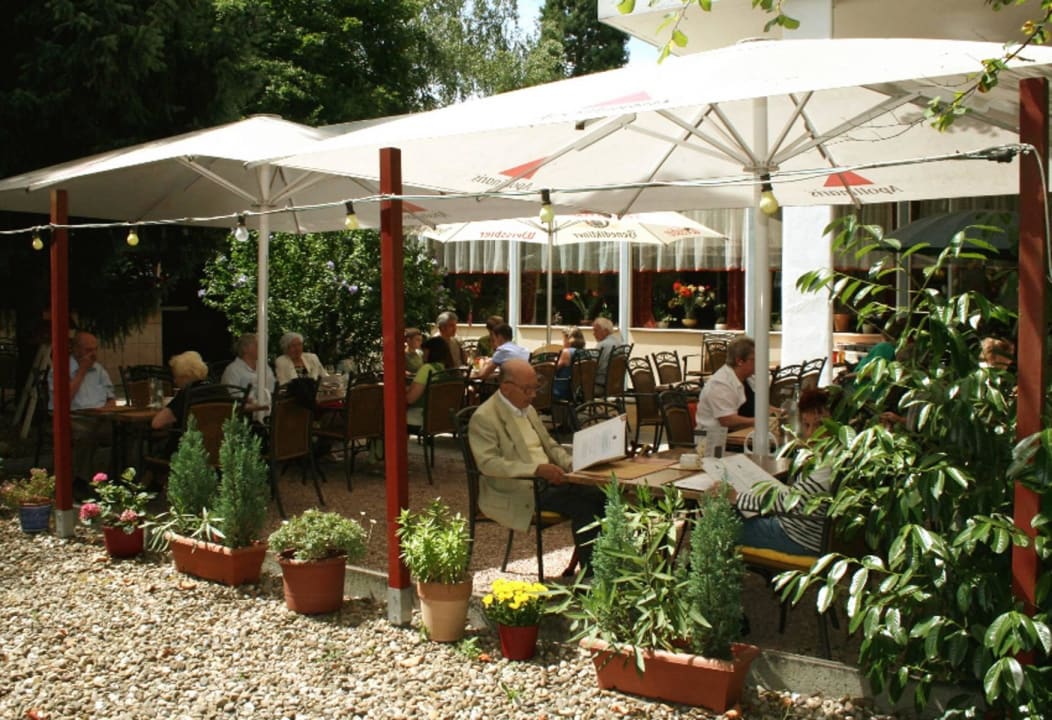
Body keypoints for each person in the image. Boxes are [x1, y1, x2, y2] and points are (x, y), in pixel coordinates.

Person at [469, 358, 606, 571]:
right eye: (527, 389)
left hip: (546, 480)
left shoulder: (527, 409)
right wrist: (536, 470)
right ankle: (593, 576)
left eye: (535, 388)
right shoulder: (485, 417)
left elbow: (551, 446)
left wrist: (574, 464)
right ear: (506, 388)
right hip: (518, 488)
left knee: (604, 493)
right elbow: (489, 464)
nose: (533, 395)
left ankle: (606, 565)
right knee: (585, 506)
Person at [726, 388, 832, 554]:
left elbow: (788, 502)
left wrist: (737, 497)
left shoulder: (826, 465)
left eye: (820, 426)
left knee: (721, 520)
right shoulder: (835, 455)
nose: (812, 433)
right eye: (806, 425)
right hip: (805, 529)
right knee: (736, 511)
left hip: (798, 538)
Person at [49, 331, 116, 485]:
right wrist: (82, 371)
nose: (93, 355)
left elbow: (111, 398)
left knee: (125, 432)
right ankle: (80, 481)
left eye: (95, 349)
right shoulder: (60, 369)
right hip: (73, 416)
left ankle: (116, 477)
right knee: (86, 435)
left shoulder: (99, 370)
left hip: (99, 416)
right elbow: (63, 400)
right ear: (76, 349)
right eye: (88, 350)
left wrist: (106, 409)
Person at [152, 351, 224, 455]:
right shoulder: (221, 389)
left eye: (176, 377)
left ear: (186, 376)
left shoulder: (188, 394)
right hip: (219, 453)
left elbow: (156, 423)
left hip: (187, 455)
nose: (175, 381)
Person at [694, 335, 757, 431]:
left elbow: (759, 405)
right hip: (717, 441)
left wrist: (780, 413)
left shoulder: (748, 378)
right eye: (754, 360)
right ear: (740, 361)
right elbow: (727, 420)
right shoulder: (721, 384)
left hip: (741, 434)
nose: (759, 363)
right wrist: (758, 422)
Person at [406, 336, 453, 427]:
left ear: (431, 352)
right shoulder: (449, 370)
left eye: (424, 351)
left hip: (423, 417)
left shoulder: (427, 369)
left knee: (390, 416)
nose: (423, 354)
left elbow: (410, 399)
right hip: (444, 417)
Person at [552, 327, 586, 401]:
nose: (563, 341)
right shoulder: (584, 352)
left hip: (562, 389)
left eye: (563, 338)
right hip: (578, 390)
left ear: (568, 339)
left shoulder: (566, 352)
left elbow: (553, 370)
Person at [591, 317, 623, 389]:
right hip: (615, 384)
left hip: (600, 384)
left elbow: (592, 365)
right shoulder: (618, 343)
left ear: (605, 331)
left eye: (596, 331)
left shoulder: (602, 345)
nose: (593, 334)